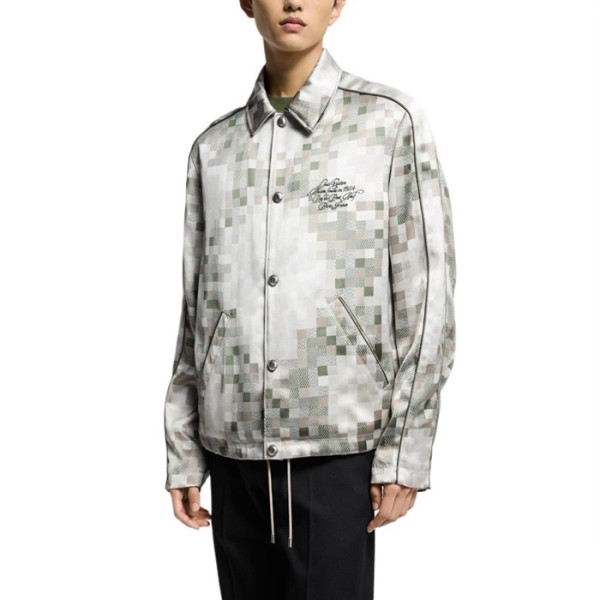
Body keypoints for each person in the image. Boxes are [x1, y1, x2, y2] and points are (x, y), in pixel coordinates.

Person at [163, 1, 457, 598]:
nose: (293, 1)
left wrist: (405, 449)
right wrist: (183, 448)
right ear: (247, 3)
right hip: (232, 450)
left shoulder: (386, 123)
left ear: (337, 3)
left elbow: (427, 298)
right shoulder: (214, 148)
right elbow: (196, 309)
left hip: (337, 449)